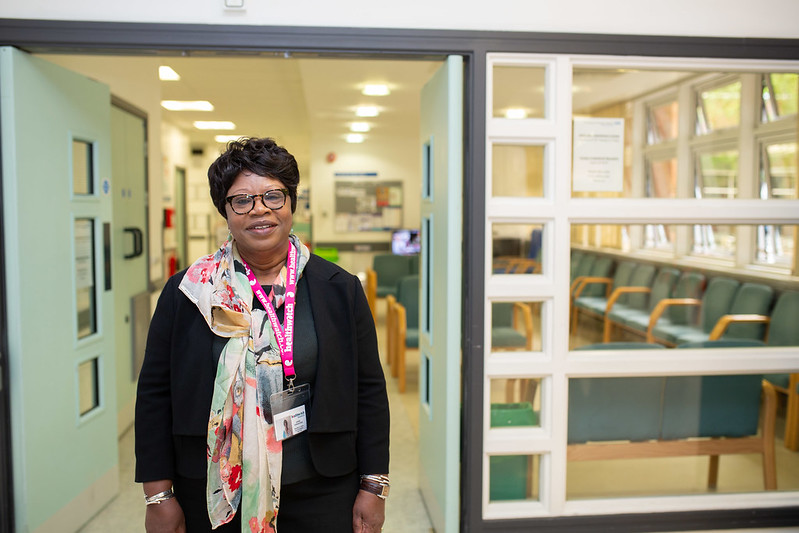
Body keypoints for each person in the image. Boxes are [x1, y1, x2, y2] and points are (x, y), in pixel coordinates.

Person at [135, 137, 390, 533]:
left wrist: (375, 485)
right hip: (213, 489)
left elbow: (369, 389)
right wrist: (158, 495)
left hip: (323, 488)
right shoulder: (189, 291)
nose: (260, 210)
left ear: (291, 203)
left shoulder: (338, 288)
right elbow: (154, 392)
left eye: (274, 196)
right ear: (225, 209)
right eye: (242, 200)